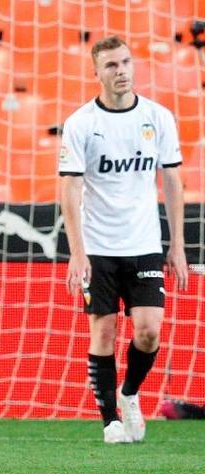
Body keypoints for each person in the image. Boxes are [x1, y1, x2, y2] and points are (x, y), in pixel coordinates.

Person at [59, 36, 188, 444]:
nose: (122, 71)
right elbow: (70, 189)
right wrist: (77, 253)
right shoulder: (82, 123)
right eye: (112, 65)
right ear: (97, 73)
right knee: (103, 332)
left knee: (149, 331)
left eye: (126, 63)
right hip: (98, 247)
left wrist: (178, 244)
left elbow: (172, 180)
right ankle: (110, 420)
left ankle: (129, 394)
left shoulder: (158, 117)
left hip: (144, 243)